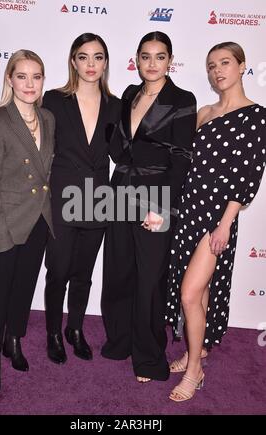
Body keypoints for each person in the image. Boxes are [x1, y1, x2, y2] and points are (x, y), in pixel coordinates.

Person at [166, 42, 266, 402]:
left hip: (217, 217)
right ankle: (197, 351)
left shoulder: (257, 116)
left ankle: (195, 371)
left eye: (225, 63)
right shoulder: (204, 112)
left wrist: (225, 224)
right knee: (201, 291)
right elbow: (183, 161)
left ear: (242, 66)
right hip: (188, 208)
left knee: (189, 293)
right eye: (211, 65)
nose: (217, 70)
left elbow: (248, 174)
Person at [101, 31, 197, 382]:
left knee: (150, 279)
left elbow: (182, 158)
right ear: (137, 59)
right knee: (119, 269)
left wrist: (161, 207)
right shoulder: (129, 94)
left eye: (159, 56)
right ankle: (121, 340)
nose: (152, 63)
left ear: (170, 60)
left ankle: (148, 357)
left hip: (155, 198)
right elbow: (117, 148)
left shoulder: (183, 99)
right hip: (120, 192)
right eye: (145, 56)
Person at [0, 49, 55, 396]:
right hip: (3, 224)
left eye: (36, 76)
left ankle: (13, 340)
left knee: (23, 289)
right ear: (9, 79)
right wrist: (0, 235)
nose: (29, 84)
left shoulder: (48, 118)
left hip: (37, 220)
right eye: (21, 76)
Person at [43, 33, 121, 363]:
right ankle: (52, 332)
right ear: (73, 61)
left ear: (105, 62)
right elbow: (41, 149)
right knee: (58, 269)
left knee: (83, 273)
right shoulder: (54, 99)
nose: (91, 64)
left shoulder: (117, 105)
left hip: (98, 199)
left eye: (98, 57)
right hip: (62, 197)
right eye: (84, 57)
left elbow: (122, 152)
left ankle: (75, 328)